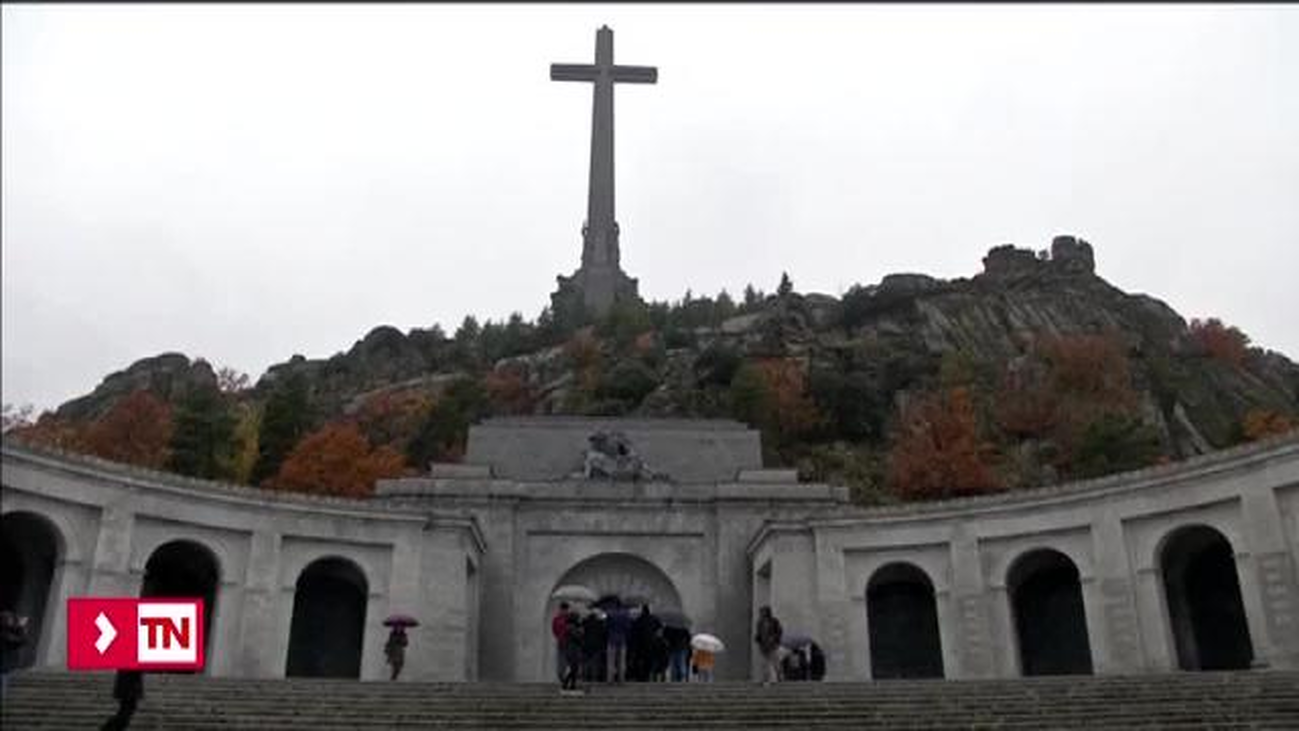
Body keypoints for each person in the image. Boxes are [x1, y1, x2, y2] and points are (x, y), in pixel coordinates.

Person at [1, 610, 29, 704]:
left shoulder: (6, 632)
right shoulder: (4, 634)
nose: (12, 621)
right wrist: (21, 627)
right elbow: (20, 641)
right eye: (10, 620)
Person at [754, 605, 784, 684]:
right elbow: (759, 633)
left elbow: (779, 631)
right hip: (763, 646)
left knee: (775, 662)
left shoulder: (774, 621)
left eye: (763, 612)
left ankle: (779, 676)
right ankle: (765, 678)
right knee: (764, 663)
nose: (761, 614)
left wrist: (775, 638)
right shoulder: (760, 623)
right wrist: (757, 638)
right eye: (761, 612)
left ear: (767, 612)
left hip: (772, 645)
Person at [560, 606, 585, 692]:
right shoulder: (570, 627)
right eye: (577, 617)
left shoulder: (572, 626)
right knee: (574, 667)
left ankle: (571, 684)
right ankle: (566, 682)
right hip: (572, 649)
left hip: (573, 649)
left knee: (575, 668)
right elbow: (577, 637)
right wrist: (580, 631)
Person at [605, 602, 631, 683]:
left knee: (611, 660)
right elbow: (628, 627)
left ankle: (610, 678)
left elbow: (607, 626)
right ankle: (621, 678)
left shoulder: (610, 614)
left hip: (611, 639)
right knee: (622, 660)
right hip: (622, 639)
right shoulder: (626, 614)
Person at [551, 602, 571, 682]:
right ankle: (561, 674)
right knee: (561, 658)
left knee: (566, 659)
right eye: (563, 610)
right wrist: (559, 635)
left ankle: (564, 674)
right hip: (561, 641)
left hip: (569, 641)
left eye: (565, 610)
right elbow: (554, 630)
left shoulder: (569, 619)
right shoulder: (557, 619)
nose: (564, 611)